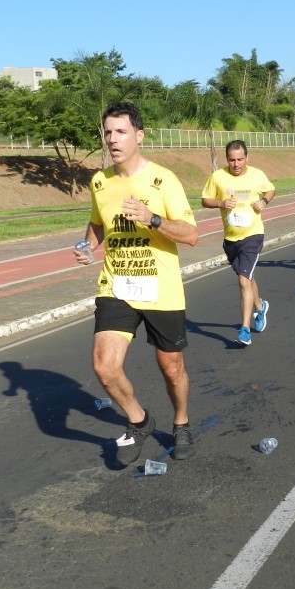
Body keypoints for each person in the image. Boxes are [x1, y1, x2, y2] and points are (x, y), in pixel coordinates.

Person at [74, 102, 199, 466]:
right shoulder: (100, 181)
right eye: (108, 132)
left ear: (139, 136)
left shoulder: (163, 179)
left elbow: (191, 234)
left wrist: (152, 219)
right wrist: (89, 245)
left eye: (121, 132)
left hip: (161, 288)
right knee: (104, 366)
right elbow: (98, 222)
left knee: (171, 367)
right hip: (117, 285)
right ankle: (139, 420)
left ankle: (182, 423)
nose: (113, 139)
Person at [201, 140, 275, 346]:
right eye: (232, 160)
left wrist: (264, 201)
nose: (236, 164)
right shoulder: (218, 177)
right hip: (231, 239)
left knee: (243, 280)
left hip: (253, 235)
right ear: (227, 159)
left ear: (246, 158)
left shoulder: (257, 175)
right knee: (248, 278)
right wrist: (221, 203)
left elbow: (270, 190)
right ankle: (260, 307)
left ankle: (244, 329)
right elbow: (205, 200)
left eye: (240, 159)